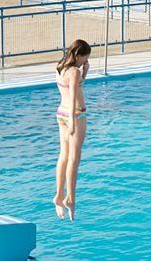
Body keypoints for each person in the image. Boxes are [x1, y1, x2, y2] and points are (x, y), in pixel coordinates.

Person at [53, 39, 91, 221]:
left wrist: (85, 73)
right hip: (75, 115)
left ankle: (59, 195)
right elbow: (75, 94)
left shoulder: (61, 67)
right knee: (74, 160)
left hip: (61, 112)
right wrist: (73, 124)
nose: (85, 61)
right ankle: (71, 199)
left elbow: (69, 89)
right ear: (78, 55)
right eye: (85, 58)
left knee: (63, 156)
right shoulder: (74, 72)